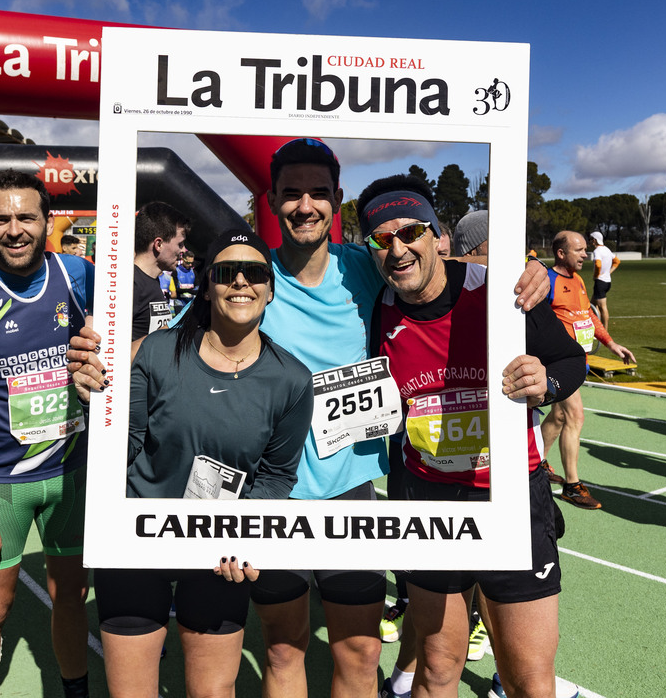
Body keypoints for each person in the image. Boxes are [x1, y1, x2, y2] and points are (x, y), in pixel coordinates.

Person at [70, 140, 550, 698]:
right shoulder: (246, 277)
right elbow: (164, 344)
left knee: (362, 651)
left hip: (350, 492)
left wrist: (530, 269)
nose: (305, 205)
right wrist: (96, 359)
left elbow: (435, 270)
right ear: (270, 201)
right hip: (275, 495)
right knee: (283, 644)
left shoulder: (364, 270)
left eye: (318, 193)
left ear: (337, 201)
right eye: (291, 193)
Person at [358, 175, 586, 698]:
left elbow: (571, 359)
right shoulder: (378, 307)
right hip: (427, 497)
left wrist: (545, 383)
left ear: (437, 235)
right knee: (437, 671)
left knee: (529, 680)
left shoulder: (502, 292)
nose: (397, 248)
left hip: (510, 494)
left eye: (411, 231)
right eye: (380, 239)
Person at [93, 229, 313, 698]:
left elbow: (275, 477)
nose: (239, 282)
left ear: (270, 289)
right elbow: (122, 445)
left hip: (220, 552)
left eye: (253, 273)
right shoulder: (156, 352)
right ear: (206, 284)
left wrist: (247, 540)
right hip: (138, 541)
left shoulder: (291, 380)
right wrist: (93, 396)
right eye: (225, 273)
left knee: (212, 693)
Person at [0, 169, 94, 698]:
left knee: (71, 596)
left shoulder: (78, 274)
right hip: (1, 481)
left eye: (26, 216)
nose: (15, 229)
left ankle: (75, 689)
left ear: (47, 221)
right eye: (1, 219)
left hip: (73, 472)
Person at [539, 231, 636, 510]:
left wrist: (611, 343)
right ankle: (572, 485)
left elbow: (589, 315)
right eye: (579, 250)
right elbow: (533, 321)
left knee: (558, 417)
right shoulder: (547, 281)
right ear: (561, 253)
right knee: (575, 416)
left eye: (585, 249)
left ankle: (536, 463)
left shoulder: (578, 280)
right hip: (557, 363)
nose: (586, 254)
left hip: (576, 363)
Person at [132, 202, 190, 348]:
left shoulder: (152, 280)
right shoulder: (131, 283)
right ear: (159, 244)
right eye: (180, 244)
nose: (184, 250)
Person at [588, 231, 619, 329]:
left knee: (602, 307)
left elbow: (598, 264)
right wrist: (609, 272)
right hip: (607, 282)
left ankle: (604, 331)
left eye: (591, 239)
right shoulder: (607, 249)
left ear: (594, 240)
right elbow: (617, 261)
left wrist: (596, 275)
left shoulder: (597, 251)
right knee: (592, 306)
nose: (590, 242)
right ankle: (595, 328)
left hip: (600, 282)